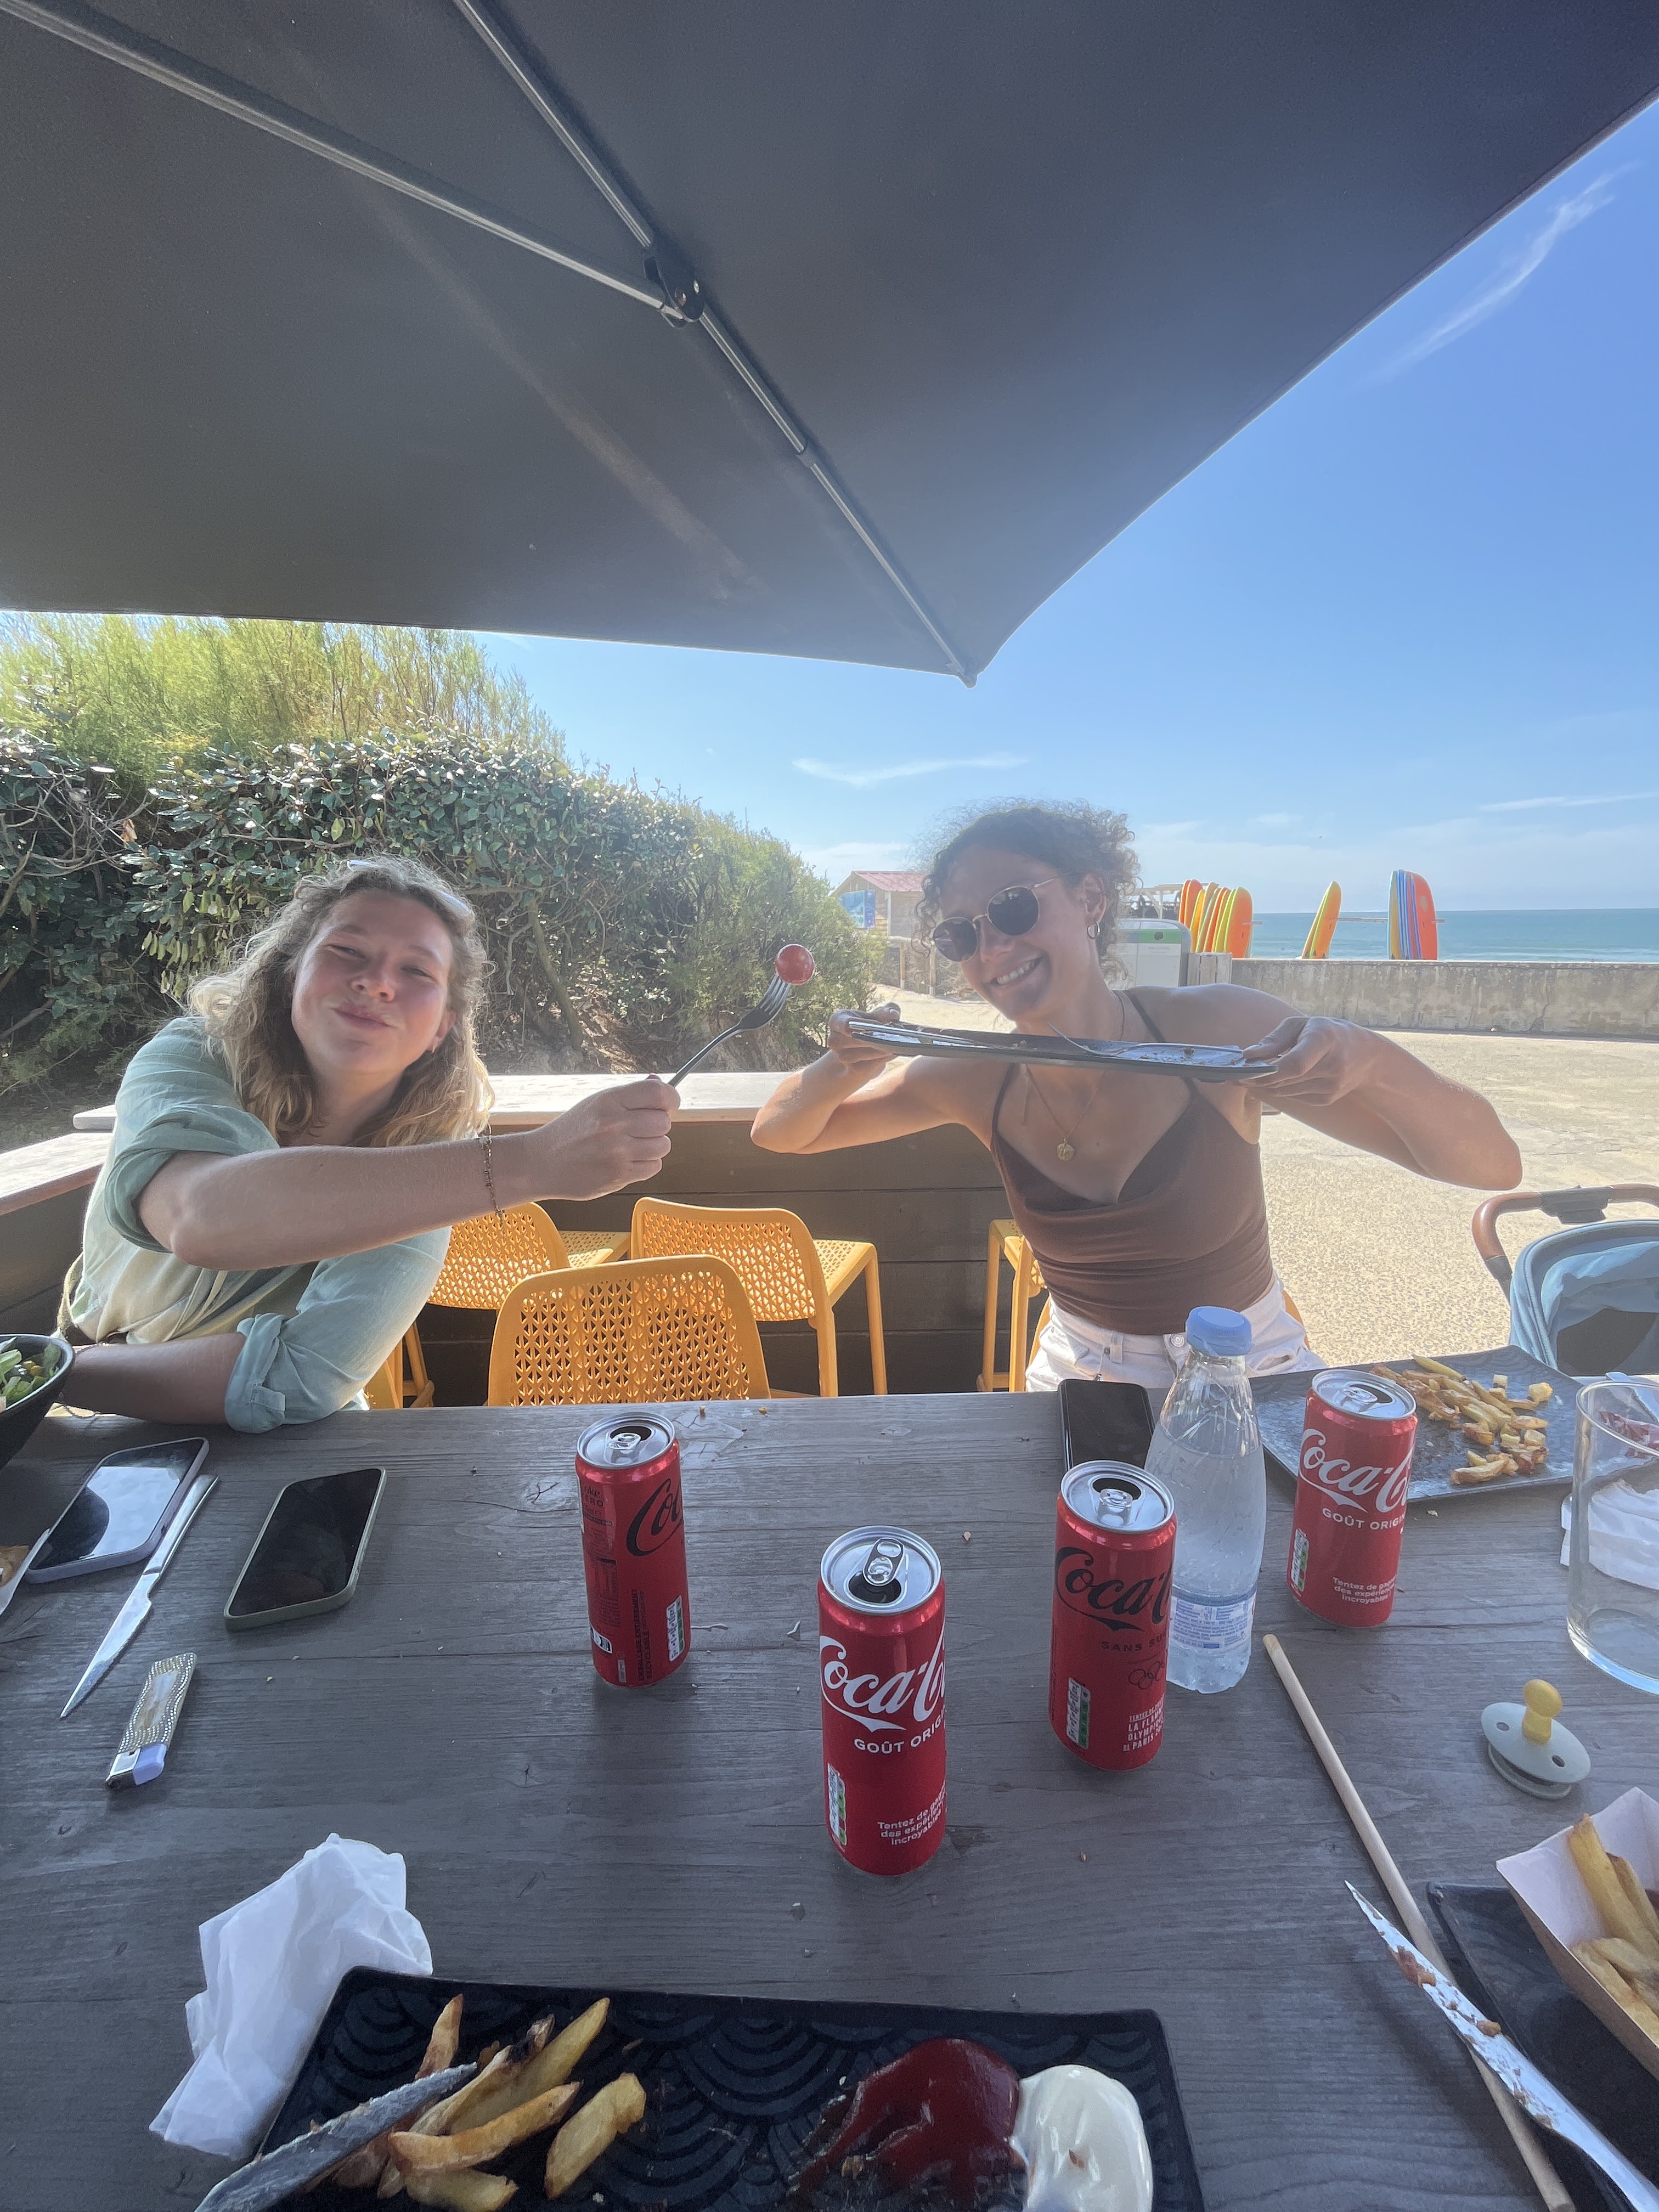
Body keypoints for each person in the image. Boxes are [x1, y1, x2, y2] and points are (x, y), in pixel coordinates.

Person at [752, 804, 1521, 1393]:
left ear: (1091, 898)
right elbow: (781, 1133)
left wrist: (1373, 1059)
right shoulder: (972, 1076)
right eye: (962, 934)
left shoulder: (1214, 1033)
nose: (993, 949)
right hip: (1078, 1377)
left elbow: (1490, 1166)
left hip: (1249, 1370)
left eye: (1014, 909)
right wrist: (843, 1065)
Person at [61, 856, 678, 1430]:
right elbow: (201, 1218)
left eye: (417, 971)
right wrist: (532, 1163)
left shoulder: (428, 1157)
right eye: (347, 950)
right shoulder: (191, 1057)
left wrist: (59, 1373)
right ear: (290, 975)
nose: (378, 983)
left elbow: (303, 1379)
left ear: (442, 1028)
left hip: (266, 1439)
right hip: (88, 1413)